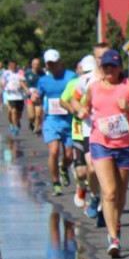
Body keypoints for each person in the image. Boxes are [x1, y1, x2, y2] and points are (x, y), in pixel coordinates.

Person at [80, 49, 129, 258]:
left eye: (113, 66)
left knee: (120, 193)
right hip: (100, 143)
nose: (109, 70)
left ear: (120, 67)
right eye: (105, 66)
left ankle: (115, 221)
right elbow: (82, 107)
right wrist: (82, 112)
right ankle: (113, 239)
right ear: (101, 69)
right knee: (109, 192)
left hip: (126, 146)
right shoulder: (93, 88)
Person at [37, 49, 77, 195]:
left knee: (69, 155)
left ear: (60, 62)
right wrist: (36, 102)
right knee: (53, 151)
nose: (52, 66)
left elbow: (79, 94)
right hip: (51, 120)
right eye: (49, 64)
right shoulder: (43, 80)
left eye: (54, 63)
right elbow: (39, 98)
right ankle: (55, 183)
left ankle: (64, 168)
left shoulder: (71, 77)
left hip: (68, 120)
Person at [61, 55, 99, 210]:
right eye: (85, 72)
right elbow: (63, 100)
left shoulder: (100, 82)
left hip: (96, 130)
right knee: (82, 171)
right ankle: (81, 186)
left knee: (94, 167)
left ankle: (95, 198)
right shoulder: (74, 84)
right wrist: (74, 110)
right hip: (78, 129)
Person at [2, 59, 27, 135]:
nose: (12, 67)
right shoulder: (6, 73)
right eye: (11, 65)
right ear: (9, 66)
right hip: (9, 95)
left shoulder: (20, 72)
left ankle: (16, 122)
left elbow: (23, 82)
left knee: (18, 113)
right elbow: (2, 83)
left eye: (14, 65)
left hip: (19, 96)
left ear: (16, 65)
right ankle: (14, 126)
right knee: (12, 111)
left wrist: (24, 88)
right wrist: (4, 86)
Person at [23, 57, 43, 134]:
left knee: (38, 114)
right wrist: (26, 89)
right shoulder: (27, 72)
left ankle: (36, 128)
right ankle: (31, 122)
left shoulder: (42, 73)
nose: (36, 66)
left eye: (37, 64)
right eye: (34, 64)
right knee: (32, 116)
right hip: (29, 96)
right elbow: (21, 81)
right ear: (32, 64)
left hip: (38, 96)